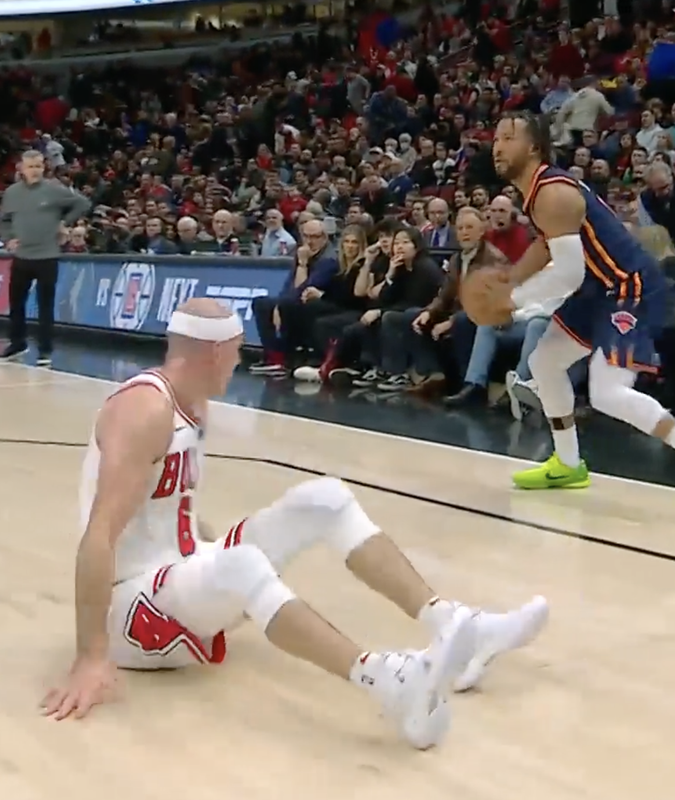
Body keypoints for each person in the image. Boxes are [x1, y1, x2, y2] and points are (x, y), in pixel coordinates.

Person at [43, 298, 548, 745]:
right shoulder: (143, 411)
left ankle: (454, 626)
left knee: (326, 498)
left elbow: (171, 511)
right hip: (128, 615)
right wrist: (90, 656)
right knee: (243, 563)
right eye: (236, 352)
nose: (240, 361)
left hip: (174, 581)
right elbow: (98, 537)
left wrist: (206, 560)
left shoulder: (190, 404)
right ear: (215, 354)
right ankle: (387, 682)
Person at [477, 112, 675, 525]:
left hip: (627, 286)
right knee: (544, 362)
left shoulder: (553, 193)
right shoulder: (538, 192)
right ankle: (568, 463)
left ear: (533, 147)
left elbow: (568, 274)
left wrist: (514, 300)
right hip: (597, 289)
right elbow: (547, 247)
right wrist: (509, 281)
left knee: (608, 392)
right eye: (496, 137)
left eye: (508, 137)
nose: (497, 145)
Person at [0, 149, 91, 366]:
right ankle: (17, 343)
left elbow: (83, 203)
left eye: (39, 166)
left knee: (45, 305)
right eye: (31, 166)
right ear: (21, 168)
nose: (35, 170)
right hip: (22, 256)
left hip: (47, 256)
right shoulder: (12, 193)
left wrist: (64, 222)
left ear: (44, 168)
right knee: (16, 304)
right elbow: (4, 219)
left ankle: (45, 350)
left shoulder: (54, 190)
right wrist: (9, 238)